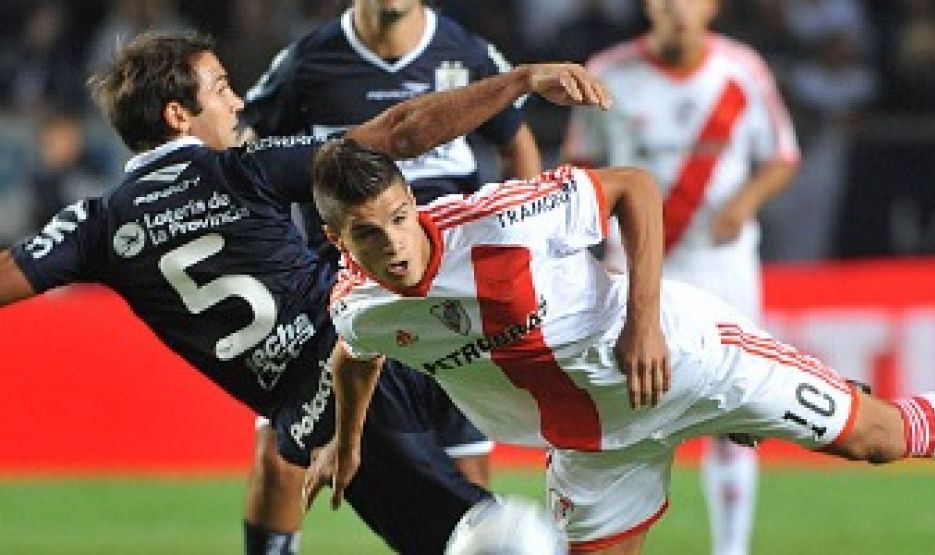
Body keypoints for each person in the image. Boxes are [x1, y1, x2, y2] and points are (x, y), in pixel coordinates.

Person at [0, 31, 612, 554]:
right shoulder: (246, 168)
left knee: (493, 535)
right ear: (176, 115)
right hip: (383, 353)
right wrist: (518, 82)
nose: (236, 102)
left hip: (339, 395)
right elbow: (396, 135)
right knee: (490, 523)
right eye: (219, 90)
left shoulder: (98, 225)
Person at [308, 139, 935, 555]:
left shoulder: (501, 217)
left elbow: (633, 185)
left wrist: (643, 322)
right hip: (595, 447)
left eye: (400, 216)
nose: (394, 242)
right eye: (368, 233)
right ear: (340, 240)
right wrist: (347, 439)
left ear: (411, 201)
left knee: (872, 437)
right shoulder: (360, 306)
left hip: (685, 360)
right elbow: (353, 357)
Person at [237, 1, 544, 547]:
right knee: (281, 452)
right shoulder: (306, 64)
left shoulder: (466, 54)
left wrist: (523, 244)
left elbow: (515, 141)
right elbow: (244, 157)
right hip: (338, 291)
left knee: (462, 472)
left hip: (448, 293)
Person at [563, 1, 800, 552]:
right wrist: (592, 253)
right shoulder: (609, 71)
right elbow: (580, 166)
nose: (678, 10)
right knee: (627, 409)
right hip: (637, 267)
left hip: (722, 262)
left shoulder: (742, 69)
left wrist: (744, 202)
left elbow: (783, 155)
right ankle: (611, 537)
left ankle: (732, 547)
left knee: (736, 404)